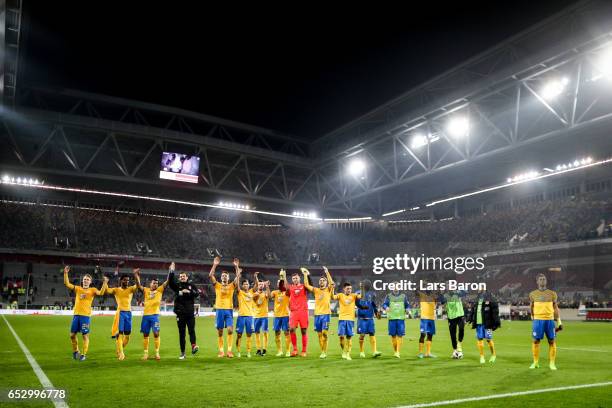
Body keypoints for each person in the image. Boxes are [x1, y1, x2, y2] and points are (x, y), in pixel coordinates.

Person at [63, 265, 108, 361]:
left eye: (87, 279)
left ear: (90, 282)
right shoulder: (78, 288)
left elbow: (101, 293)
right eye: (84, 279)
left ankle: (83, 354)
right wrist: (66, 273)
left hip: (85, 316)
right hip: (76, 315)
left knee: (85, 336)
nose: (86, 280)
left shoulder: (93, 290)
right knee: (72, 335)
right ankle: (76, 351)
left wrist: (104, 283)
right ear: (82, 280)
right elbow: (67, 284)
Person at [134, 266, 169, 361]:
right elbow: (138, 285)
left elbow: (167, 282)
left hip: (155, 316)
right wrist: (136, 275)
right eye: (154, 283)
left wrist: (171, 271)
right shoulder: (146, 290)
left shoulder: (160, 290)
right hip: (145, 316)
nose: (155, 284)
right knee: (145, 334)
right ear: (150, 284)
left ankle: (157, 353)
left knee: (156, 333)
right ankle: (146, 354)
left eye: (157, 283)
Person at [529, 273, 562, 370]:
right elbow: (531, 306)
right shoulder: (532, 294)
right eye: (541, 279)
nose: (543, 280)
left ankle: (552, 363)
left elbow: (555, 308)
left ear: (546, 281)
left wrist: (559, 321)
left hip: (549, 320)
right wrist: (532, 316)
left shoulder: (552, 294)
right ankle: (535, 362)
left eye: (544, 279)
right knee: (535, 341)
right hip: (538, 321)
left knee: (551, 341)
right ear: (537, 281)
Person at [209, 256, 241, 358]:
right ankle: (221, 351)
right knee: (220, 331)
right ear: (221, 277)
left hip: (229, 310)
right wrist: (214, 265)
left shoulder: (232, 285)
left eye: (226, 276)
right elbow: (210, 275)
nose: (224, 277)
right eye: (223, 276)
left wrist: (236, 266)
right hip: (219, 310)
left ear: (228, 278)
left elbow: (238, 276)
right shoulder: (217, 285)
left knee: (230, 330)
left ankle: (229, 351)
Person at [168, 263, 200, 359]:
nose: (182, 278)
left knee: (191, 331)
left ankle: (194, 346)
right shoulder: (177, 286)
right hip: (180, 313)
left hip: (190, 313)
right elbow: (170, 282)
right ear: (179, 278)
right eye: (181, 276)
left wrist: (189, 292)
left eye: (184, 276)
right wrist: (172, 271)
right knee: (182, 334)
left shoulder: (191, 285)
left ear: (187, 277)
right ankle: (183, 353)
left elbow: (197, 294)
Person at [302, 266, 334, 359]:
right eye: (320, 280)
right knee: (319, 335)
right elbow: (306, 285)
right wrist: (305, 274)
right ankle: (322, 351)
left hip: (326, 315)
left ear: (326, 282)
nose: (321, 282)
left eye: (323, 281)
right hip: (317, 315)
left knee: (324, 333)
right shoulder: (316, 290)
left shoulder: (328, 289)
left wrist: (327, 272)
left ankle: (324, 352)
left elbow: (331, 283)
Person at [106, 274, 138, 360]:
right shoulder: (116, 290)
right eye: (125, 280)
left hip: (129, 313)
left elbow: (138, 286)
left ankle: (119, 350)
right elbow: (107, 290)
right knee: (119, 334)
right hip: (120, 313)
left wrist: (136, 276)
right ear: (121, 280)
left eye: (128, 280)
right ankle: (121, 354)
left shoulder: (131, 289)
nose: (127, 282)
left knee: (127, 336)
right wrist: (105, 282)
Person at [279, 269, 309, 357]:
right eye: (293, 278)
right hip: (294, 312)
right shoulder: (291, 288)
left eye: (296, 278)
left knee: (303, 331)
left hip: (303, 311)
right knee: (291, 329)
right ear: (292, 280)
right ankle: (295, 349)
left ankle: (304, 350)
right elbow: (283, 287)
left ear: (299, 278)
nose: (295, 280)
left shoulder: (304, 286)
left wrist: (306, 274)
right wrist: (283, 276)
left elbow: (309, 285)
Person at [466, 290, 500, 364]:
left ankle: (493, 355)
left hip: (487, 323)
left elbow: (495, 311)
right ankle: (482, 356)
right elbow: (473, 310)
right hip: (478, 323)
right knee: (479, 339)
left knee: (488, 339)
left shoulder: (490, 299)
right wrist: (469, 319)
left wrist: (496, 322)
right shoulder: (477, 300)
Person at [333, 282, 362, 360]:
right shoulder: (340, 295)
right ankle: (343, 351)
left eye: (350, 289)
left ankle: (348, 353)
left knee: (349, 337)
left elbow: (361, 296)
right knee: (341, 337)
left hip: (350, 319)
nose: (349, 290)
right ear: (344, 289)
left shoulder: (354, 295)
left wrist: (361, 287)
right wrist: (332, 288)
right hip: (342, 319)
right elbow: (332, 297)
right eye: (348, 289)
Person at [382, 286, 410, 358]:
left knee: (400, 335)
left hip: (401, 318)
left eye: (397, 286)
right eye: (394, 287)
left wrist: (407, 309)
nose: (395, 288)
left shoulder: (403, 296)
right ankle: (395, 351)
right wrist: (386, 307)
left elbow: (407, 305)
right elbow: (384, 304)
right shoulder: (388, 296)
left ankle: (398, 352)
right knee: (393, 336)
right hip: (392, 318)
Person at [356, 282, 382, 358]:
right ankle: (361, 351)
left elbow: (373, 305)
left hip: (370, 319)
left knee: (372, 334)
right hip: (362, 319)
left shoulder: (372, 294)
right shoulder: (358, 293)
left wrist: (377, 313)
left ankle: (374, 351)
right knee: (362, 335)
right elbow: (356, 304)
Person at [235, 275, 256, 358]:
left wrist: (255, 277)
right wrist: (238, 274)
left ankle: (248, 352)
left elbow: (256, 285)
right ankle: (238, 351)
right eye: (244, 284)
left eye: (247, 284)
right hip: (241, 316)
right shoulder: (240, 292)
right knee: (239, 335)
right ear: (242, 285)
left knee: (249, 334)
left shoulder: (251, 292)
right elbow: (236, 285)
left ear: (248, 285)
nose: (245, 285)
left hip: (250, 317)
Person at [270, 278, 291, 357]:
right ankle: (279, 351)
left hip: (285, 315)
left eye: (281, 283)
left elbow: (288, 288)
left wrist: (284, 277)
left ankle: (288, 351)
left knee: (286, 333)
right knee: (277, 333)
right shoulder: (274, 292)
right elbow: (269, 296)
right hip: (277, 316)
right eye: (278, 283)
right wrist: (267, 287)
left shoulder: (287, 292)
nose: (280, 284)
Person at [253, 273, 271, 356]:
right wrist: (256, 278)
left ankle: (264, 349)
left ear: (263, 286)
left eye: (262, 284)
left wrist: (267, 286)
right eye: (259, 284)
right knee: (257, 333)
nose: (260, 285)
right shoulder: (255, 294)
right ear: (257, 285)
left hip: (264, 316)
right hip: (256, 316)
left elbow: (269, 295)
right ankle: (258, 349)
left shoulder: (265, 294)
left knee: (264, 332)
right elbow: (254, 298)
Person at [444, 290, 466, 357]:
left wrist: (457, 291)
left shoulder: (457, 293)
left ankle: (459, 344)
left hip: (460, 315)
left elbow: (465, 292)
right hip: (451, 317)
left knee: (461, 328)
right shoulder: (445, 295)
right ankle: (455, 351)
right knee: (452, 335)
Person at [417, 289, 437, 358]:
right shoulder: (422, 296)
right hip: (424, 318)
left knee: (430, 335)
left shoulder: (434, 298)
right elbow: (416, 291)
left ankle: (428, 353)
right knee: (423, 334)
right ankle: (420, 353)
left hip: (431, 319)